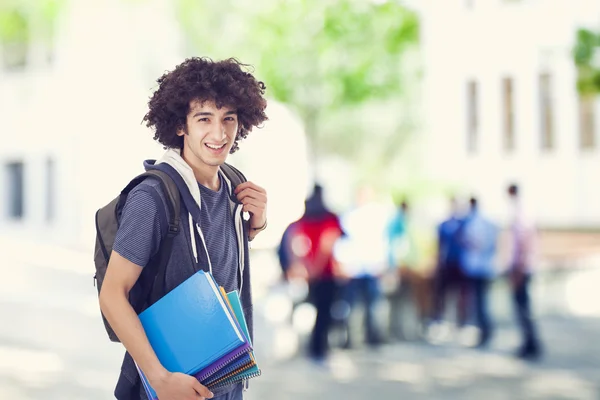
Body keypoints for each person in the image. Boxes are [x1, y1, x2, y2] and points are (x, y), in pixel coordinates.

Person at [99, 57, 269, 400]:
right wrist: (161, 380)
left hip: (227, 378)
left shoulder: (235, 185)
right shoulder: (153, 198)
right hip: (172, 384)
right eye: (204, 119)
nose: (219, 134)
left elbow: (213, 257)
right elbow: (112, 295)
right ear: (180, 125)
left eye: (229, 119)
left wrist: (256, 224)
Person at [288, 184, 343, 364]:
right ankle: (318, 349)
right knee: (324, 313)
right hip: (324, 276)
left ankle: (316, 347)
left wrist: (306, 267)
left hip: (312, 275)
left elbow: (297, 245)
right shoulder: (329, 218)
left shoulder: (304, 220)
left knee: (319, 313)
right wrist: (315, 269)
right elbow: (327, 246)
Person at [507, 184, 542, 360]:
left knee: (523, 309)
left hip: (522, 268)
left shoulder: (521, 215)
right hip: (525, 267)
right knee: (524, 308)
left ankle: (530, 344)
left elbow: (522, 246)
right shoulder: (524, 212)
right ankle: (530, 343)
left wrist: (517, 271)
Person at [459, 197, 499, 348]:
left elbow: (475, 243)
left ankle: (485, 332)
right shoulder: (488, 222)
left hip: (477, 268)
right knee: (481, 303)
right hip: (485, 267)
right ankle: (485, 331)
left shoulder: (474, 223)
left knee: (479, 303)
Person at [432, 197, 469, 329]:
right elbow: (439, 245)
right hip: (447, 263)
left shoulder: (464, 223)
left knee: (461, 295)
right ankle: (441, 320)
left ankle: (461, 321)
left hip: (460, 264)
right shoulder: (443, 225)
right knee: (443, 294)